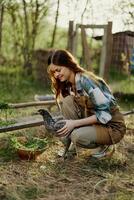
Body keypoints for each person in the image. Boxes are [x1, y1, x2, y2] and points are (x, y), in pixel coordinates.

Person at [47, 49, 126, 158]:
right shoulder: (71, 84)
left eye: (58, 70)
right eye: (53, 72)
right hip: (97, 123)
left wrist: (74, 124)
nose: (56, 75)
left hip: (112, 127)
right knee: (67, 101)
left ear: (68, 64)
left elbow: (104, 115)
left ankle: (105, 146)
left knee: (76, 136)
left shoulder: (86, 81)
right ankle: (73, 147)